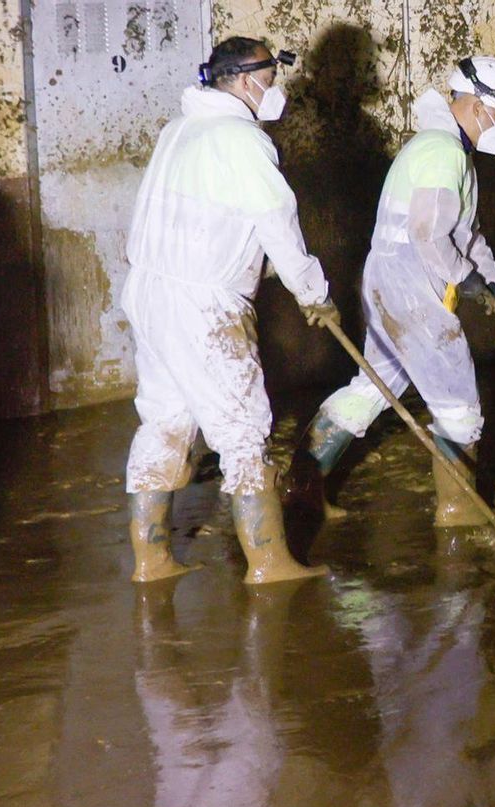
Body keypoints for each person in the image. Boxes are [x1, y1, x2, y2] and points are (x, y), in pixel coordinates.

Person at [123, 37, 335, 584]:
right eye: (271, 76)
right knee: (243, 430)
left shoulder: (178, 131)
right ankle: (269, 563)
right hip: (204, 305)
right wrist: (314, 293)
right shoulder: (242, 141)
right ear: (245, 81)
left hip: (150, 292)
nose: (275, 88)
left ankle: (152, 560)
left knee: (165, 421)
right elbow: (278, 227)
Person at [289, 56, 495, 527]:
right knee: (458, 403)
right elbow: (429, 234)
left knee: (374, 386)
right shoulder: (443, 152)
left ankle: (302, 490)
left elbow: (466, 234)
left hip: (392, 278)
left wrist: (491, 278)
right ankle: (459, 515)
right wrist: (466, 279)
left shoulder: (448, 152)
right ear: (476, 106)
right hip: (411, 282)